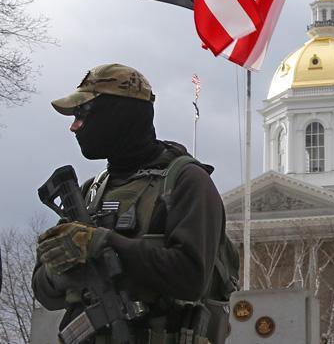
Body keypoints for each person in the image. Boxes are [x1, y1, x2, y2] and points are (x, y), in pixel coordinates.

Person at [32, 63, 233, 343]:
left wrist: (103, 244)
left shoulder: (185, 182)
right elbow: (44, 292)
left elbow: (191, 278)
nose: (75, 126)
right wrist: (64, 268)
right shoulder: (92, 192)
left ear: (118, 115)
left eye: (83, 114)